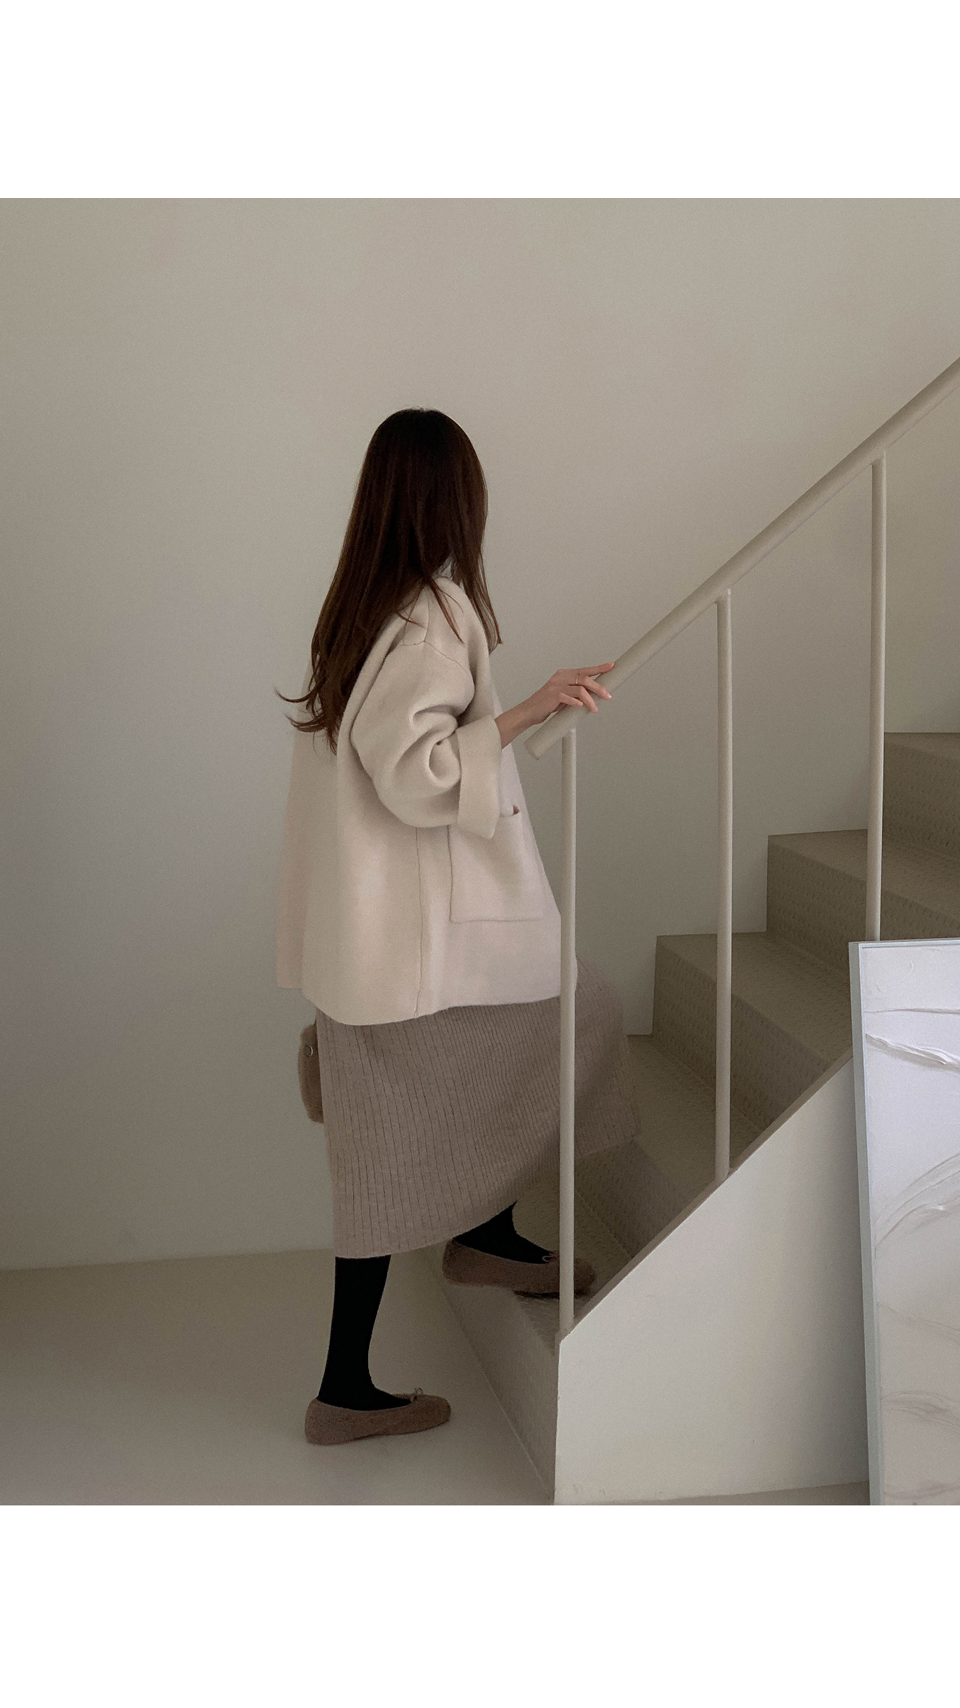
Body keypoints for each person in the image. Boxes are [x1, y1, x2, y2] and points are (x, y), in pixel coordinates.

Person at [275, 408, 641, 1447]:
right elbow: (418, 772)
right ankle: (347, 1386)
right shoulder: (433, 614)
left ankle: (483, 1234)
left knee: (393, 1138)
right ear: (453, 500)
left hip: (368, 939)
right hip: (412, 936)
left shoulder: (357, 610)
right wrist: (526, 711)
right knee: (568, 1016)